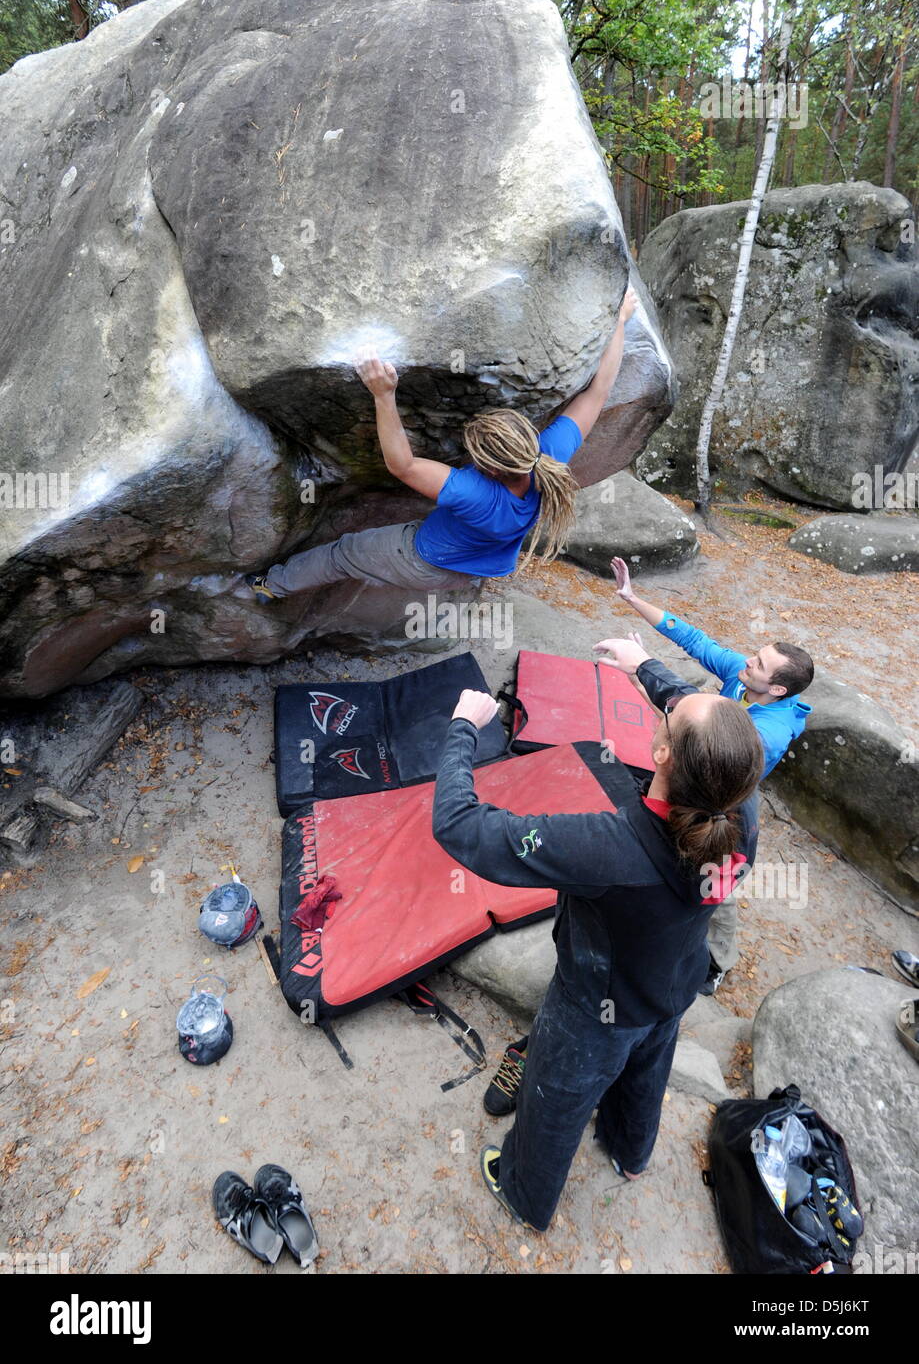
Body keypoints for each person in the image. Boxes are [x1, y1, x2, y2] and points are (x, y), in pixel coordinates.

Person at [432, 677, 763, 1233]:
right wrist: (645, 666)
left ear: (661, 752)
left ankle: (523, 1193)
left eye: (673, 711)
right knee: (646, 1075)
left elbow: (461, 826)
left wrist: (463, 727)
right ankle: (630, 1155)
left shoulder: (605, 848)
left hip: (594, 1009)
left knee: (553, 1100)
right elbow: (711, 734)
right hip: (673, 986)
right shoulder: (741, 812)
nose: (672, 703)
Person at [244, 290, 638, 603]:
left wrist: (384, 394)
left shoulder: (473, 493)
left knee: (343, 553)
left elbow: (403, 466)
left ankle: (270, 585)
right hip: (480, 565)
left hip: (425, 560)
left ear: (493, 469)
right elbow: (597, 393)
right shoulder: (547, 457)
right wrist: (619, 321)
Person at [605, 559, 814, 994]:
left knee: (718, 882)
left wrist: (646, 671)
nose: (747, 659)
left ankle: (717, 961)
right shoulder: (745, 681)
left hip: (726, 804)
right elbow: (696, 640)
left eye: (757, 662)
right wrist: (632, 597)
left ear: (776, 689)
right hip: (697, 776)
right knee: (671, 856)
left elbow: (707, 730)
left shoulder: (768, 733)